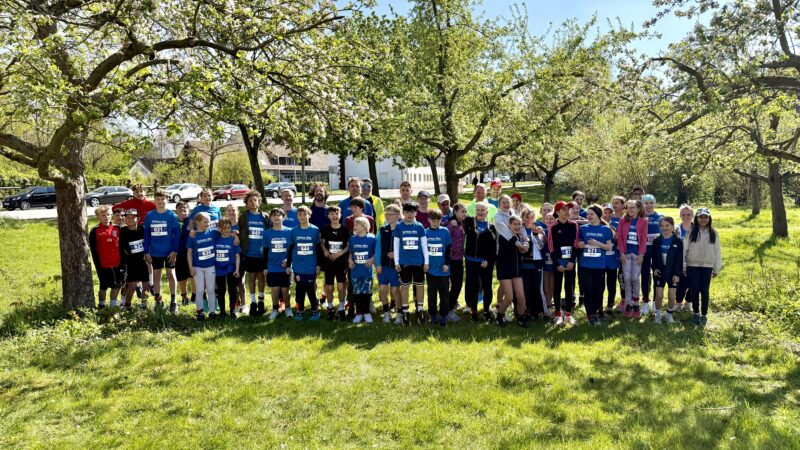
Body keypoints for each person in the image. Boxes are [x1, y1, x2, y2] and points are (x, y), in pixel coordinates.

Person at [143, 189, 181, 312]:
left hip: (169, 252)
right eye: (158, 199)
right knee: (157, 274)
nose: (160, 201)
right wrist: (146, 251)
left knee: (171, 273)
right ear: (154, 200)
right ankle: (158, 300)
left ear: (167, 200)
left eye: (162, 199)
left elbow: (177, 235)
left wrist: (174, 251)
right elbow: (147, 235)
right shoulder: (150, 216)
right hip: (155, 251)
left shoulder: (172, 216)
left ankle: (173, 300)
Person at [683, 208, 722, 325]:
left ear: (709, 219)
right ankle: (695, 313)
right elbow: (685, 250)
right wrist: (684, 266)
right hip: (692, 265)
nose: (703, 219)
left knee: (705, 291)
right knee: (694, 290)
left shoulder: (714, 233)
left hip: (707, 266)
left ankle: (704, 314)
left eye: (706, 217)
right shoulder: (691, 232)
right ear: (696, 218)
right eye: (701, 217)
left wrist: (716, 268)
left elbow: (717, 251)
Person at [577, 205, 614, 326]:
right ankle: (591, 316)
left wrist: (597, 243)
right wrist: (581, 244)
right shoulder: (583, 229)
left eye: (591, 214)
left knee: (598, 291)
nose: (589, 216)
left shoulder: (606, 229)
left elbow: (608, 247)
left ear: (598, 215)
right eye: (587, 214)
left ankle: (598, 310)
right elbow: (578, 243)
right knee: (588, 291)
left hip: (599, 266)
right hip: (585, 265)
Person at [393, 201, 429, 325]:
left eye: (412, 212)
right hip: (404, 263)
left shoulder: (419, 227)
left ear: (416, 213)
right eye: (407, 212)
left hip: (418, 262)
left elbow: (424, 245)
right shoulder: (399, 226)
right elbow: (396, 245)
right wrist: (396, 262)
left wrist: (426, 261)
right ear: (403, 212)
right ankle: (405, 311)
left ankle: (419, 310)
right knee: (405, 286)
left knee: (419, 286)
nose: (409, 214)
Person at [286, 206, 321, 320]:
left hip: (311, 265)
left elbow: (318, 248)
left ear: (309, 215)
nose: (302, 217)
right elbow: (291, 249)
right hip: (298, 266)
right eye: (300, 215)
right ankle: (300, 310)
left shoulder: (315, 230)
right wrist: (288, 265)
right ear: (297, 217)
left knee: (311, 288)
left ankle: (315, 311)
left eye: (305, 214)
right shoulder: (293, 231)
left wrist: (318, 265)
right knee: (300, 289)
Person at [237, 191, 269, 316]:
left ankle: (261, 301)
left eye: (255, 200)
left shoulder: (264, 216)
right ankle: (253, 302)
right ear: (246, 204)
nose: (252, 202)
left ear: (259, 202)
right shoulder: (244, 217)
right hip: (249, 252)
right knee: (251, 278)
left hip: (261, 253)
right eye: (250, 201)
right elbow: (240, 231)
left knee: (261, 276)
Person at [463, 202, 497, 321]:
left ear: (487, 212)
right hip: (471, 261)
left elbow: (493, 248)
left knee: (487, 287)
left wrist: (487, 260)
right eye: (478, 210)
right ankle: (474, 311)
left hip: (485, 262)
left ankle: (487, 311)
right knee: (473, 286)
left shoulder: (492, 227)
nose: (480, 212)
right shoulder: (468, 222)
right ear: (475, 211)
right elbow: (457, 215)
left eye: (483, 210)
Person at [495, 214, 530, 327]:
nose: (517, 226)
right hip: (504, 269)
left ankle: (521, 317)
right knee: (509, 297)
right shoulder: (504, 236)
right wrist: (520, 245)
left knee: (521, 296)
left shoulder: (519, 237)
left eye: (519, 224)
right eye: (514, 224)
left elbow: (524, 250)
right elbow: (508, 249)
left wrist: (525, 245)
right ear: (509, 225)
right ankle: (500, 315)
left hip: (516, 269)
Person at [548, 201, 579, 326]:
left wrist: (572, 260)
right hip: (558, 262)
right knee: (557, 287)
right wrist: (557, 264)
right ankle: (557, 314)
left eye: (568, 209)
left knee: (569, 287)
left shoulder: (574, 225)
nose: (567, 212)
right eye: (564, 209)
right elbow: (551, 247)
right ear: (557, 212)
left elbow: (576, 244)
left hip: (570, 261)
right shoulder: (553, 227)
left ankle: (568, 314)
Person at [617, 199, 647, 319]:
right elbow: (619, 238)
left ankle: (636, 303)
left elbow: (644, 239)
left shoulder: (643, 221)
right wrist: (622, 253)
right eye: (628, 208)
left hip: (637, 255)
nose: (630, 210)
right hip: (626, 254)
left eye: (633, 207)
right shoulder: (623, 221)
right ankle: (629, 304)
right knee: (627, 279)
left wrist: (641, 255)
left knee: (635, 278)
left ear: (638, 209)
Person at [89, 206, 123, 309]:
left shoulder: (117, 228)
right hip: (103, 264)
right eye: (103, 215)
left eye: (108, 215)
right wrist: (98, 264)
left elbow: (122, 246)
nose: (106, 217)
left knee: (117, 285)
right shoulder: (95, 230)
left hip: (117, 262)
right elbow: (93, 250)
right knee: (103, 285)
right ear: (98, 217)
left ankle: (113, 304)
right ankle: (101, 305)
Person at [651, 216, 683, 324]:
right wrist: (654, 268)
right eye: (662, 226)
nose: (665, 228)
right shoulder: (656, 241)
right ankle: (658, 315)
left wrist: (677, 274)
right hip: (660, 271)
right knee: (659, 296)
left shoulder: (678, 241)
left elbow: (679, 259)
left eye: (667, 225)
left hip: (672, 272)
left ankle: (669, 315)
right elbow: (654, 257)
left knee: (671, 296)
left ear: (673, 226)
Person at [320, 206, 349, 320]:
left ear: (340, 215)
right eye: (331, 214)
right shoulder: (325, 229)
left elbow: (348, 245)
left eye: (336, 214)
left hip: (341, 262)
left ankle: (341, 308)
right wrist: (325, 250)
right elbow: (322, 243)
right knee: (329, 287)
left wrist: (340, 253)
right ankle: (330, 307)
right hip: (329, 263)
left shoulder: (345, 229)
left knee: (341, 287)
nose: (334, 216)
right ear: (328, 216)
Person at [187, 212, 217, 320]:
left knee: (211, 289)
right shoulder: (192, 235)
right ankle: (200, 312)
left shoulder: (212, 232)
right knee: (199, 290)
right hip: (198, 267)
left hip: (210, 266)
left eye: (209, 221)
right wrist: (191, 267)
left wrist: (235, 236)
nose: (208, 224)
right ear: (197, 222)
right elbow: (189, 253)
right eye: (205, 222)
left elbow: (225, 231)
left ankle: (212, 312)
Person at [264, 209, 293, 320]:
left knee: (285, 289)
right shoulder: (267, 233)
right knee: (275, 288)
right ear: (270, 218)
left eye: (279, 215)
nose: (276, 217)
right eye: (274, 215)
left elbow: (291, 249)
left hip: (285, 266)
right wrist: (265, 267)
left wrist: (288, 263)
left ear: (283, 217)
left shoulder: (289, 232)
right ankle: (275, 309)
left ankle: (288, 308)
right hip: (272, 266)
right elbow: (266, 250)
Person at [376, 204, 402, 323]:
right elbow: (378, 247)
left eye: (390, 214)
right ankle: (386, 312)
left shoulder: (402, 229)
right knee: (382, 290)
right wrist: (378, 264)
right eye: (386, 214)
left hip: (396, 267)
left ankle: (400, 313)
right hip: (384, 265)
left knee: (395, 290)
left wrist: (397, 254)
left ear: (397, 215)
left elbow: (406, 248)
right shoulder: (382, 229)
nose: (387, 216)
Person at [425, 209, 451, 326]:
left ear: (441, 220)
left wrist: (447, 263)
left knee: (444, 294)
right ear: (429, 220)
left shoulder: (445, 231)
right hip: (430, 271)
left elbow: (448, 249)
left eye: (438, 221)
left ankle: (444, 316)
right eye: (433, 220)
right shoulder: (425, 233)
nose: (435, 223)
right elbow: (423, 251)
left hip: (443, 271)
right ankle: (433, 315)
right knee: (431, 294)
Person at [119, 209, 150, 309]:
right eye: (128, 217)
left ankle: (144, 304)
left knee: (146, 284)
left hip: (143, 261)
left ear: (138, 219)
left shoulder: (143, 229)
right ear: (125, 219)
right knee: (132, 286)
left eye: (133, 217)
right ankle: (127, 304)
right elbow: (122, 248)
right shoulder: (123, 231)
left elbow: (148, 242)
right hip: (130, 263)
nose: (130, 219)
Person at [348, 217, 377, 323]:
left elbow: (375, 253)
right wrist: (350, 260)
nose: (354, 227)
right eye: (354, 225)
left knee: (365, 292)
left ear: (364, 226)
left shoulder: (371, 239)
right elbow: (351, 252)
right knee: (356, 292)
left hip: (366, 271)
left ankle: (366, 313)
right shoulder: (353, 239)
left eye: (357, 225)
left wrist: (371, 259)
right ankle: (359, 312)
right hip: (355, 271)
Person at [520, 208, 547, 319]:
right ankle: (527, 309)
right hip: (523, 264)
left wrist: (536, 235)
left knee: (537, 288)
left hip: (536, 263)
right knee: (526, 288)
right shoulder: (519, 228)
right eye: (526, 217)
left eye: (531, 217)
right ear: (522, 217)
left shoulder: (537, 228)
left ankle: (539, 310)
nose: (528, 219)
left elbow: (541, 246)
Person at [640, 194, 662, 316]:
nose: (648, 205)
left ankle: (655, 301)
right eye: (646, 203)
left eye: (651, 203)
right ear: (642, 205)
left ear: (654, 204)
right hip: (643, 251)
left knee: (656, 274)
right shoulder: (639, 217)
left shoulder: (660, 217)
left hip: (657, 252)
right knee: (645, 275)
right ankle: (645, 301)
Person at [214, 217, 241, 318]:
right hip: (219, 269)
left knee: (232, 289)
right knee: (221, 290)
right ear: (220, 228)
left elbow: (237, 256)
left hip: (231, 268)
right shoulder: (216, 239)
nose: (227, 230)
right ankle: (222, 311)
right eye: (224, 228)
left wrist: (237, 269)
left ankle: (232, 310)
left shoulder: (233, 240)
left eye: (229, 228)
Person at [446, 203, 467, 319]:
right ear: (455, 212)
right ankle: (447, 309)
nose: (464, 213)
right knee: (455, 285)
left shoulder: (462, 223)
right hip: (451, 260)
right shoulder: (451, 224)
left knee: (458, 284)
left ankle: (447, 307)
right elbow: (447, 240)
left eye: (465, 211)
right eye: (462, 211)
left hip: (459, 260)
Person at [675, 204, 694, 312]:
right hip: (680, 261)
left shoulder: (697, 229)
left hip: (694, 261)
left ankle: (688, 302)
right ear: (680, 215)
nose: (686, 216)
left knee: (694, 283)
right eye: (683, 214)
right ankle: (678, 303)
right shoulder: (676, 229)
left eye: (688, 214)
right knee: (681, 284)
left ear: (692, 215)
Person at [602, 202, 620, 317]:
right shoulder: (598, 224)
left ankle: (609, 306)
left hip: (613, 259)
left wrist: (615, 233)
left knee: (612, 284)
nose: (608, 215)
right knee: (600, 284)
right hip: (600, 260)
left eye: (610, 212)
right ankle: (598, 306)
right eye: (605, 212)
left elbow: (620, 241)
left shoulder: (616, 224)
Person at [174, 201, 194, 306]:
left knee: (192, 274)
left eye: (185, 207)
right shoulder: (174, 222)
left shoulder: (192, 221)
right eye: (180, 208)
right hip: (178, 254)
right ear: (176, 211)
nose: (183, 209)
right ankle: (184, 297)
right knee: (181, 277)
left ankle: (194, 296)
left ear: (189, 209)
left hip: (191, 253)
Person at [542, 212, 556, 311]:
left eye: (551, 219)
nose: (549, 221)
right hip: (545, 258)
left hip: (555, 258)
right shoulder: (543, 231)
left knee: (554, 281)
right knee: (546, 280)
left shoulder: (558, 230)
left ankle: (554, 301)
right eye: (547, 219)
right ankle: (547, 302)